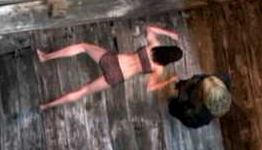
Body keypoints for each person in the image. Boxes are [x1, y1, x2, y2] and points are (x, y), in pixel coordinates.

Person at [37, 24, 183, 111]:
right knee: (82, 91)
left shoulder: (154, 46)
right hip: (117, 76)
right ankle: (46, 106)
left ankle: (46, 57)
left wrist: (169, 34)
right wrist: (169, 80)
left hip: (113, 60)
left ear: (168, 48)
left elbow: (149, 28)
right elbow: (150, 87)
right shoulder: (159, 69)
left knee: (83, 46)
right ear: (170, 61)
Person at [168, 73, 232, 129]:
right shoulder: (222, 80)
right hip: (200, 107)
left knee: (173, 107)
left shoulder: (199, 112)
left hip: (192, 115)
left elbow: (186, 110)